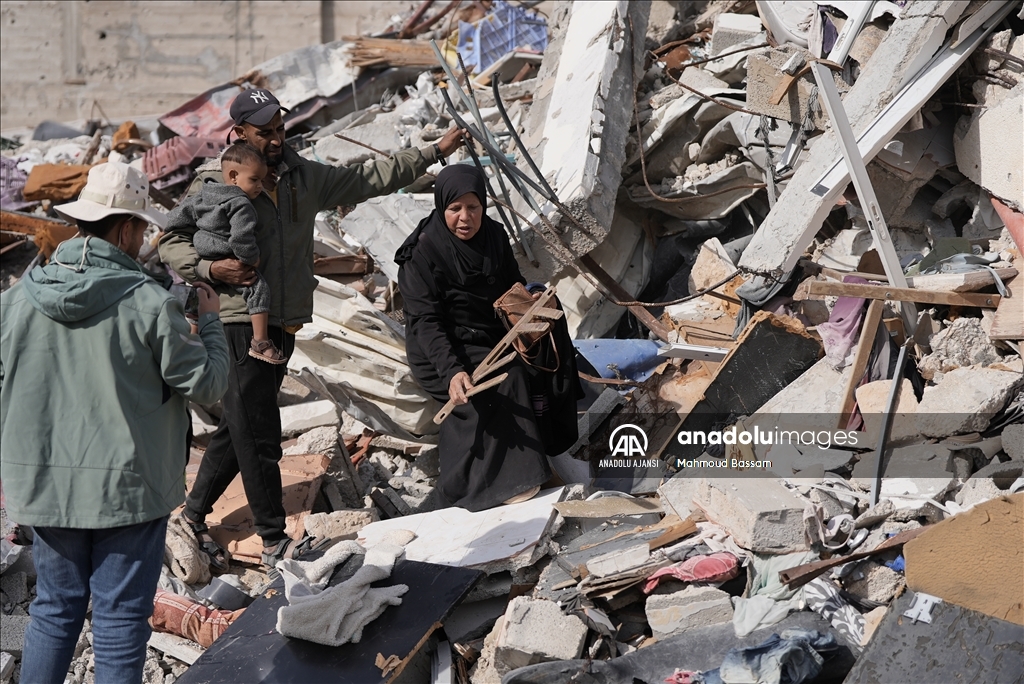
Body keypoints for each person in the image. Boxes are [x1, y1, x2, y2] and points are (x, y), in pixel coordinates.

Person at [158, 87, 466, 567]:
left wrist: (431, 153)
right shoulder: (216, 183)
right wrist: (211, 270)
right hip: (239, 319)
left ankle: (192, 516)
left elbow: (366, 177)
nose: (278, 139)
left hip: (282, 323)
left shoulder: (302, 178)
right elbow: (170, 241)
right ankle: (274, 539)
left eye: (281, 129)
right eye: (266, 132)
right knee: (259, 433)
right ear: (238, 134)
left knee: (238, 427)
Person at [0, 162, 229, 682]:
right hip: (128, 487)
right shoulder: (148, 303)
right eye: (143, 228)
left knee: (54, 612)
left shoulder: (15, 300)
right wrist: (211, 323)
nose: (143, 238)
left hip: (44, 486)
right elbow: (208, 385)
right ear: (125, 228)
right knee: (121, 619)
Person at [395, 164, 581, 511]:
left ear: (483, 206)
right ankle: (503, 484)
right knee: (507, 378)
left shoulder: (493, 236)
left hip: (492, 332)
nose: (465, 218)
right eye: (455, 209)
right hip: (442, 351)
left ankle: (553, 451)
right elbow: (426, 322)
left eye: (473, 208)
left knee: (552, 343)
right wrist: (453, 372)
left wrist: (531, 301)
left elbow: (513, 283)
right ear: (441, 207)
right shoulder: (421, 255)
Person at [166, 141, 284, 363]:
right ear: (233, 176)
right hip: (224, 251)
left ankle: (192, 340)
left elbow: (180, 214)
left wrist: (166, 222)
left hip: (204, 252)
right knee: (258, 289)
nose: (260, 186)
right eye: (255, 180)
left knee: (199, 291)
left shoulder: (205, 192)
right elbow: (241, 237)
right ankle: (260, 341)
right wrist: (251, 259)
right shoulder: (241, 203)